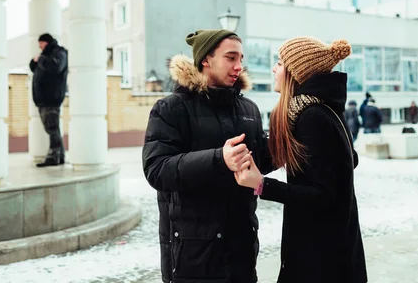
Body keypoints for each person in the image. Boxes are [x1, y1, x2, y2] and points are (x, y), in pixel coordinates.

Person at [142, 29, 274, 283]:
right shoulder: (171, 108)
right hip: (193, 254)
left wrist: (284, 147)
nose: (239, 67)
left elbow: (259, 164)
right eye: (230, 58)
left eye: (241, 59)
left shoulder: (249, 109)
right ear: (205, 59)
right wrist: (218, 159)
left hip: (242, 251)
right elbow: (157, 170)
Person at [235, 37, 367, 283]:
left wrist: (261, 184)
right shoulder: (325, 109)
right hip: (332, 250)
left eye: (279, 63)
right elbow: (347, 162)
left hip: (321, 258)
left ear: (296, 72)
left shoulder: (312, 117)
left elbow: (323, 195)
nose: (274, 69)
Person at [29, 33, 68, 167]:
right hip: (44, 99)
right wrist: (35, 61)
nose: (40, 46)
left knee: (52, 128)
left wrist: (41, 59)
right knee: (52, 128)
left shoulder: (59, 52)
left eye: (41, 43)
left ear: (47, 42)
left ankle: (54, 157)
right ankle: (60, 156)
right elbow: (35, 69)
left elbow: (56, 67)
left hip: (51, 98)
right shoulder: (46, 55)